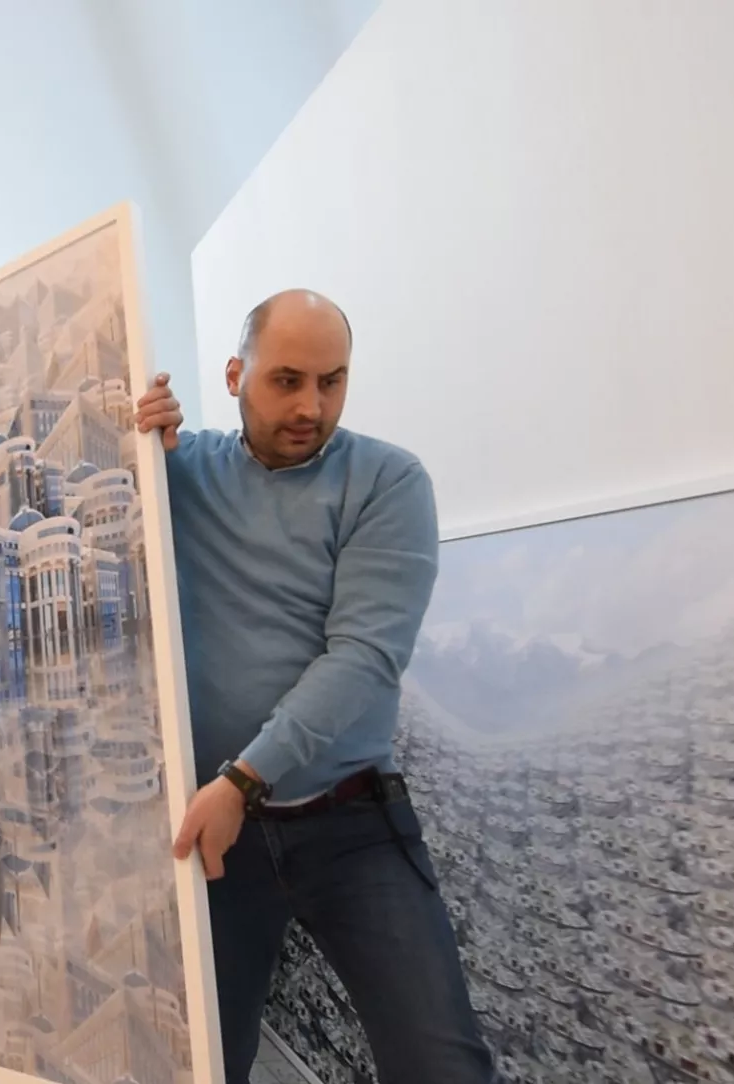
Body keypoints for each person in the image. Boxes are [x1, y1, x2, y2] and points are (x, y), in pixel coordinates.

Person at [135, 290, 496, 1083]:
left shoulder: (389, 481)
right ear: (235, 376)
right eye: (287, 381)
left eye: (332, 381)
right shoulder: (178, 471)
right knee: (202, 1063)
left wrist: (242, 778)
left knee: (441, 1064)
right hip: (216, 837)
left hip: (347, 822)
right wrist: (137, 430)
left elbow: (365, 656)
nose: (312, 406)